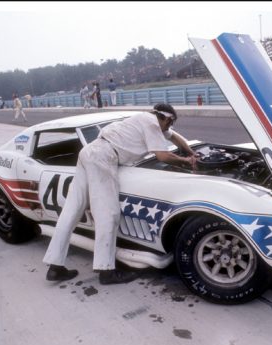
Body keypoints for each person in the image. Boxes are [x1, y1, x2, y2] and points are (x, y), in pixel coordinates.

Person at [43, 103, 199, 284]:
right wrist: (187, 161)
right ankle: (106, 271)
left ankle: (54, 267)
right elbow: (163, 157)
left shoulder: (144, 118)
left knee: (72, 210)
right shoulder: (152, 124)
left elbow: (175, 137)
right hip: (104, 157)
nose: (169, 127)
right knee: (108, 214)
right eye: (170, 123)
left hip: (89, 152)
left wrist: (191, 152)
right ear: (166, 118)